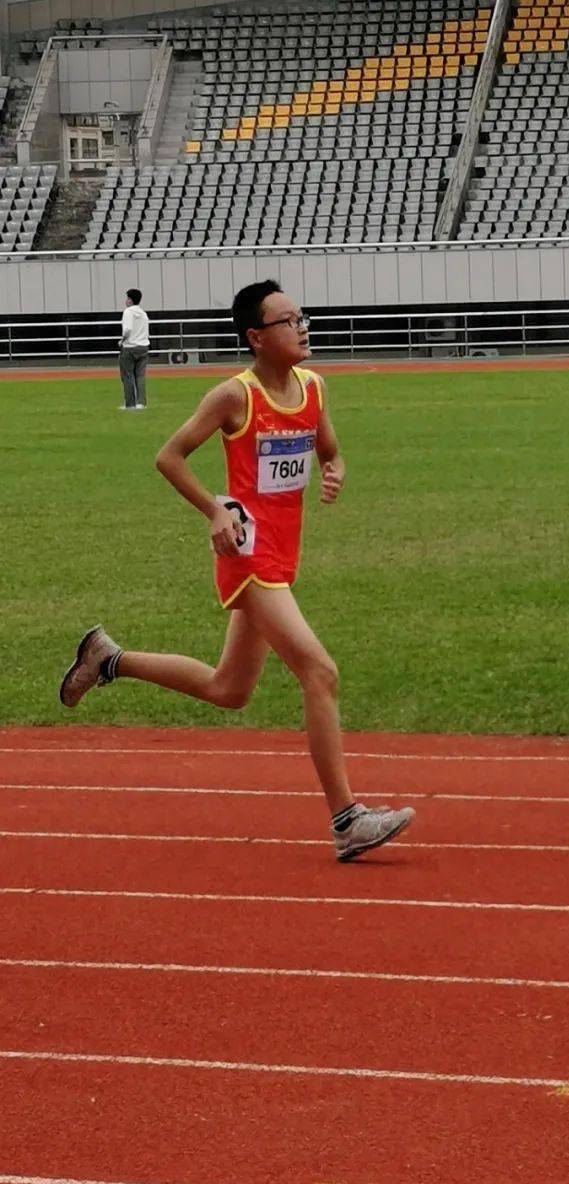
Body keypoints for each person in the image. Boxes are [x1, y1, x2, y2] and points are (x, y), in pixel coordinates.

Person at [61, 278, 414, 860]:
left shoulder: (314, 389)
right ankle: (348, 819)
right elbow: (168, 457)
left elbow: (328, 448)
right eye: (287, 321)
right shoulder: (234, 397)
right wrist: (213, 508)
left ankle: (110, 659)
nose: (302, 327)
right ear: (256, 337)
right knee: (319, 672)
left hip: (282, 556)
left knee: (230, 689)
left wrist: (335, 470)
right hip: (247, 557)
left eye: (302, 317)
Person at [119, 287, 150, 411]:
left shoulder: (128, 312)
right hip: (143, 347)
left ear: (130, 300)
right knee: (140, 376)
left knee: (127, 376)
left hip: (130, 346)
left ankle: (130, 404)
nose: (126, 300)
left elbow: (127, 329)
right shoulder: (143, 313)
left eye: (127, 298)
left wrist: (122, 340)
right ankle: (141, 402)